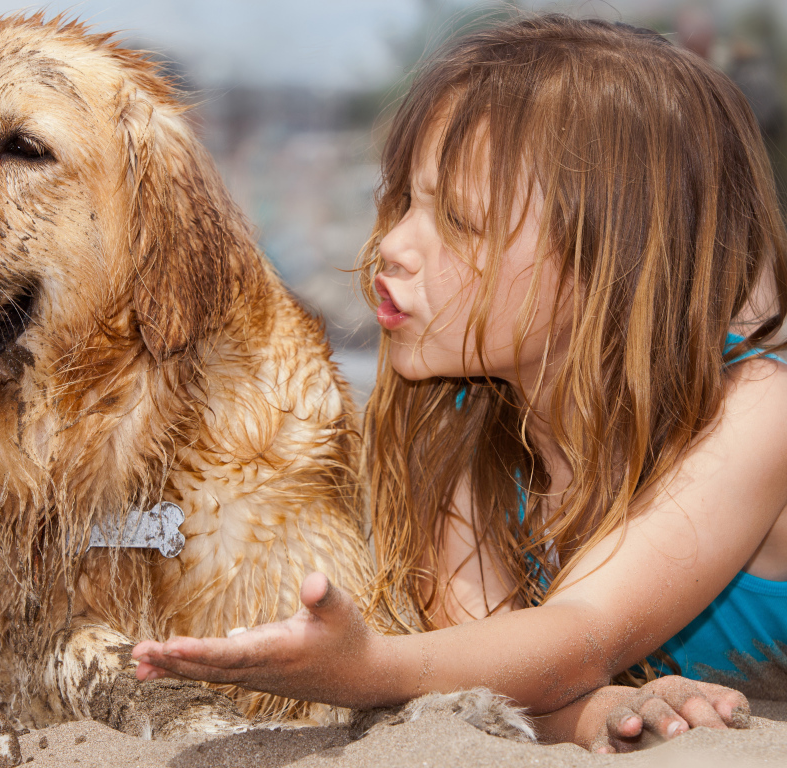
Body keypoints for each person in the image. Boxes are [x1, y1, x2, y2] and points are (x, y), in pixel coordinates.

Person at [133, 14, 787, 752]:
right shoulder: (459, 421)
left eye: (460, 221)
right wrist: (601, 709)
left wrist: (367, 668)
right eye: (404, 202)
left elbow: (579, 635)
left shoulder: (758, 408)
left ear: (616, 264)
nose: (393, 245)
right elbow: (491, 669)